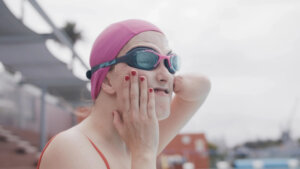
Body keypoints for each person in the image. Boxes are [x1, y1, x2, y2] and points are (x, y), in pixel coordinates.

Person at [37, 19, 211, 169]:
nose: (166, 74)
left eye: (171, 62)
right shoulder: (70, 148)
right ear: (107, 80)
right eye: (145, 59)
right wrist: (144, 154)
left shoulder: (132, 141)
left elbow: (202, 86)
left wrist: (174, 82)